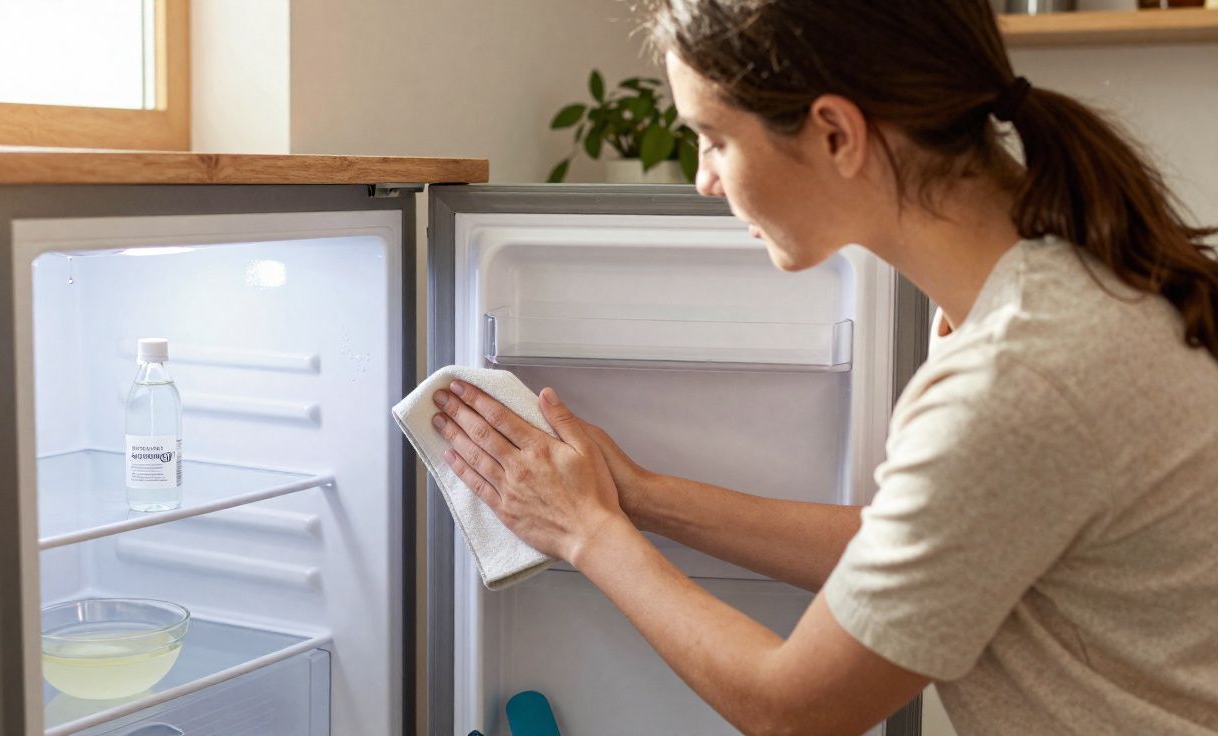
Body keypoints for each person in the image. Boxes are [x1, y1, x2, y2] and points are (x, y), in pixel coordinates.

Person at [427, 1, 1218, 733]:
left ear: (836, 133)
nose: (705, 180)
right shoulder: (1036, 282)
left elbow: (792, 709)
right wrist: (641, 496)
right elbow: (918, 548)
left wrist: (588, 534)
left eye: (716, 139)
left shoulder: (1017, 376)